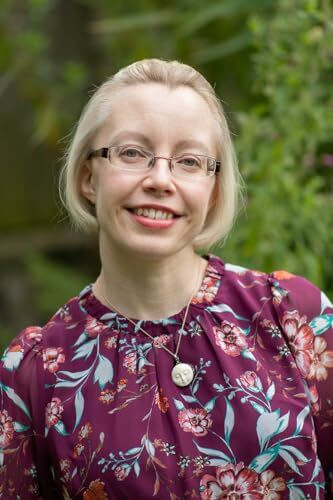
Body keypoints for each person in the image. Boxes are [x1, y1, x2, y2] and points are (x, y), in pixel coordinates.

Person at [0, 58, 332, 500]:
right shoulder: (38, 373)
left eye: (189, 160)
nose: (160, 179)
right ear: (88, 178)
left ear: (213, 190)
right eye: (132, 153)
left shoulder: (292, 315)